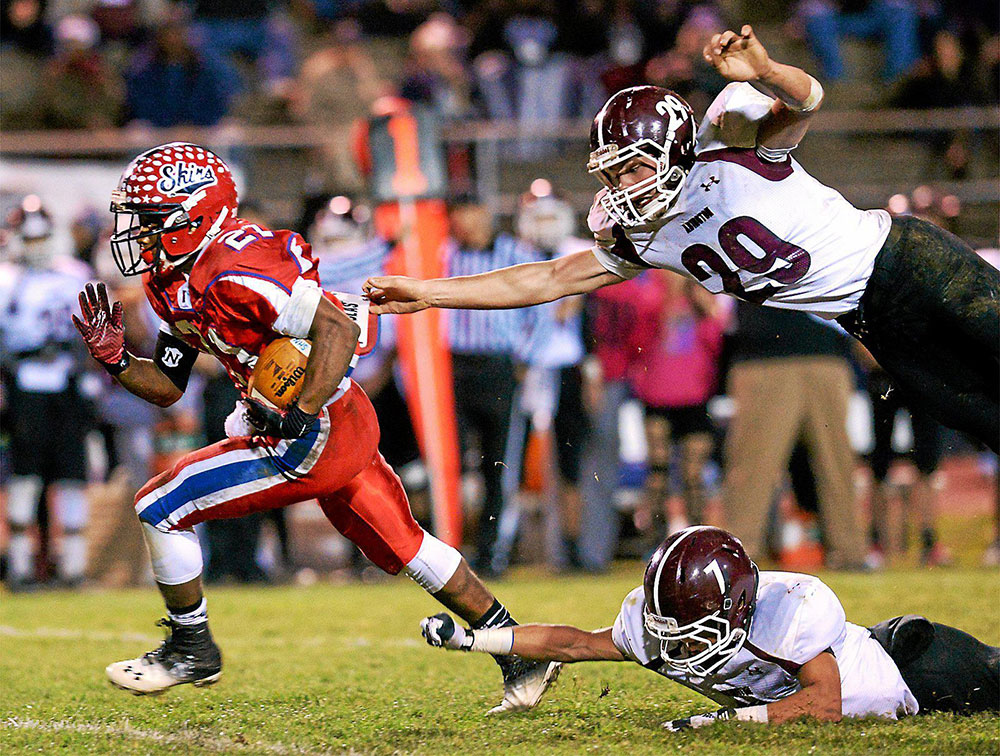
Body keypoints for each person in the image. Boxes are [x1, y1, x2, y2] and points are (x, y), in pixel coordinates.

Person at [72, 143, 559, 714]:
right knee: (408, 544)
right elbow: (169, 386)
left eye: (148, 219)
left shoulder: (237, 273)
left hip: (313, 428)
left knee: (160, 503)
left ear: (193, 213)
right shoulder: (174, 280)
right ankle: (521, 650)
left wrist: (299, 413)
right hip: (329, 420)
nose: (136, 233)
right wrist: (117, 361)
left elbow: (337, 328)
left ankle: (190, 646)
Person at [364, 24, 1000, 453]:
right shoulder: (649, 233)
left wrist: (768, 69)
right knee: (983, 418)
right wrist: (429, 290)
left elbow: (807, 101)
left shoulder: (731, 142)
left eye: (632, 167)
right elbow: (547, 278)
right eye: (611, 172)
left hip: (908, 264)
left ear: (672, 149)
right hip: (871, 321)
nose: (621, 185)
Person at [421, 526, 999, 727]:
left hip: (913, 667)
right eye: (669, 622)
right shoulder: (662, 622)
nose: (674, 640)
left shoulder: (788, 608)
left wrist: (716, 721)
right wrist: (480, 637)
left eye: (693, 625)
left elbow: (824, 703)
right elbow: (573, 642)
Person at [1, 196, 95, 590]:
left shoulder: (75, 273)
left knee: (73, 473)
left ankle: (73, 566)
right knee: (25, 474)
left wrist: (89, 377)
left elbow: (94, 331)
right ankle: (21, 564)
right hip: (24, 382)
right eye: (30, 239)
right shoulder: (6, 278)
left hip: (67, 382)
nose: (37, 246)